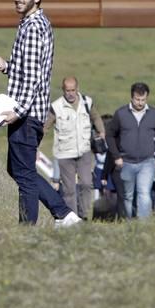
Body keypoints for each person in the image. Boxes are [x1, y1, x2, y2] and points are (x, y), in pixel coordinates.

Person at [0, 0, 82, 228]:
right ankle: (63, 214)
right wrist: (6, 66)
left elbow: (34, 77)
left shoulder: (34, 26)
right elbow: (28, 68)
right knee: (17, 170)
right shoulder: (32, 23)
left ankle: (37, 226)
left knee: (24, 174)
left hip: (26, 115)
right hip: (28, 113)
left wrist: (18, 109)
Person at [41, 76, 104, 219]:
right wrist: (36, 143)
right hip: (64, 154)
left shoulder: (87, 102)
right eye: (67, 90)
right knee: (69, 190)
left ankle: (84, 215)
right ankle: (73, 218)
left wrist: (101, 131)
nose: (70, 93)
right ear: (63, 90)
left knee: (87, 184)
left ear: (77, 89)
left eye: (73, 90)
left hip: (84, 151)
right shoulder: (56, 107)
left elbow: (96, 117)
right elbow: (45, 126)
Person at [106, 82, 155, 219]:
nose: (140, 103)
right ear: (132, 97)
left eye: (143, 99)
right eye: (137, 99)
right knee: (127, 196)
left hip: (147, 162)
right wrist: (116, 156)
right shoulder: (121, 114)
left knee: (144, 193)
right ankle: (128, 223)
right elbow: (110, 135)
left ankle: (143, 225)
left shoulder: (154, 114)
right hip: (126, 162)